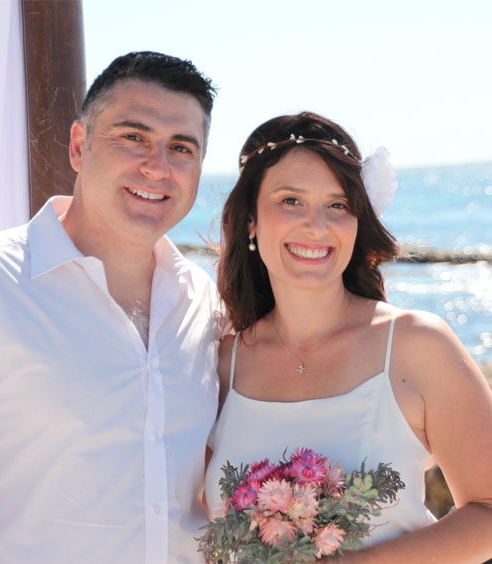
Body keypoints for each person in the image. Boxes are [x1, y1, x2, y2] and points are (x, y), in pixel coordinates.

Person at [0, 51, 223, 564]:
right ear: (79, 146)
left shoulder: (208, 305)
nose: (157, 167)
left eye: (181, 147)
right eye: (133, 137)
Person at [205, 112, 492, 562]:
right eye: (291, 201)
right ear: (251, 222)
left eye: (337, 205)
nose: (317, 227)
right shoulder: (221, 364)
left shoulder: (418, 346)